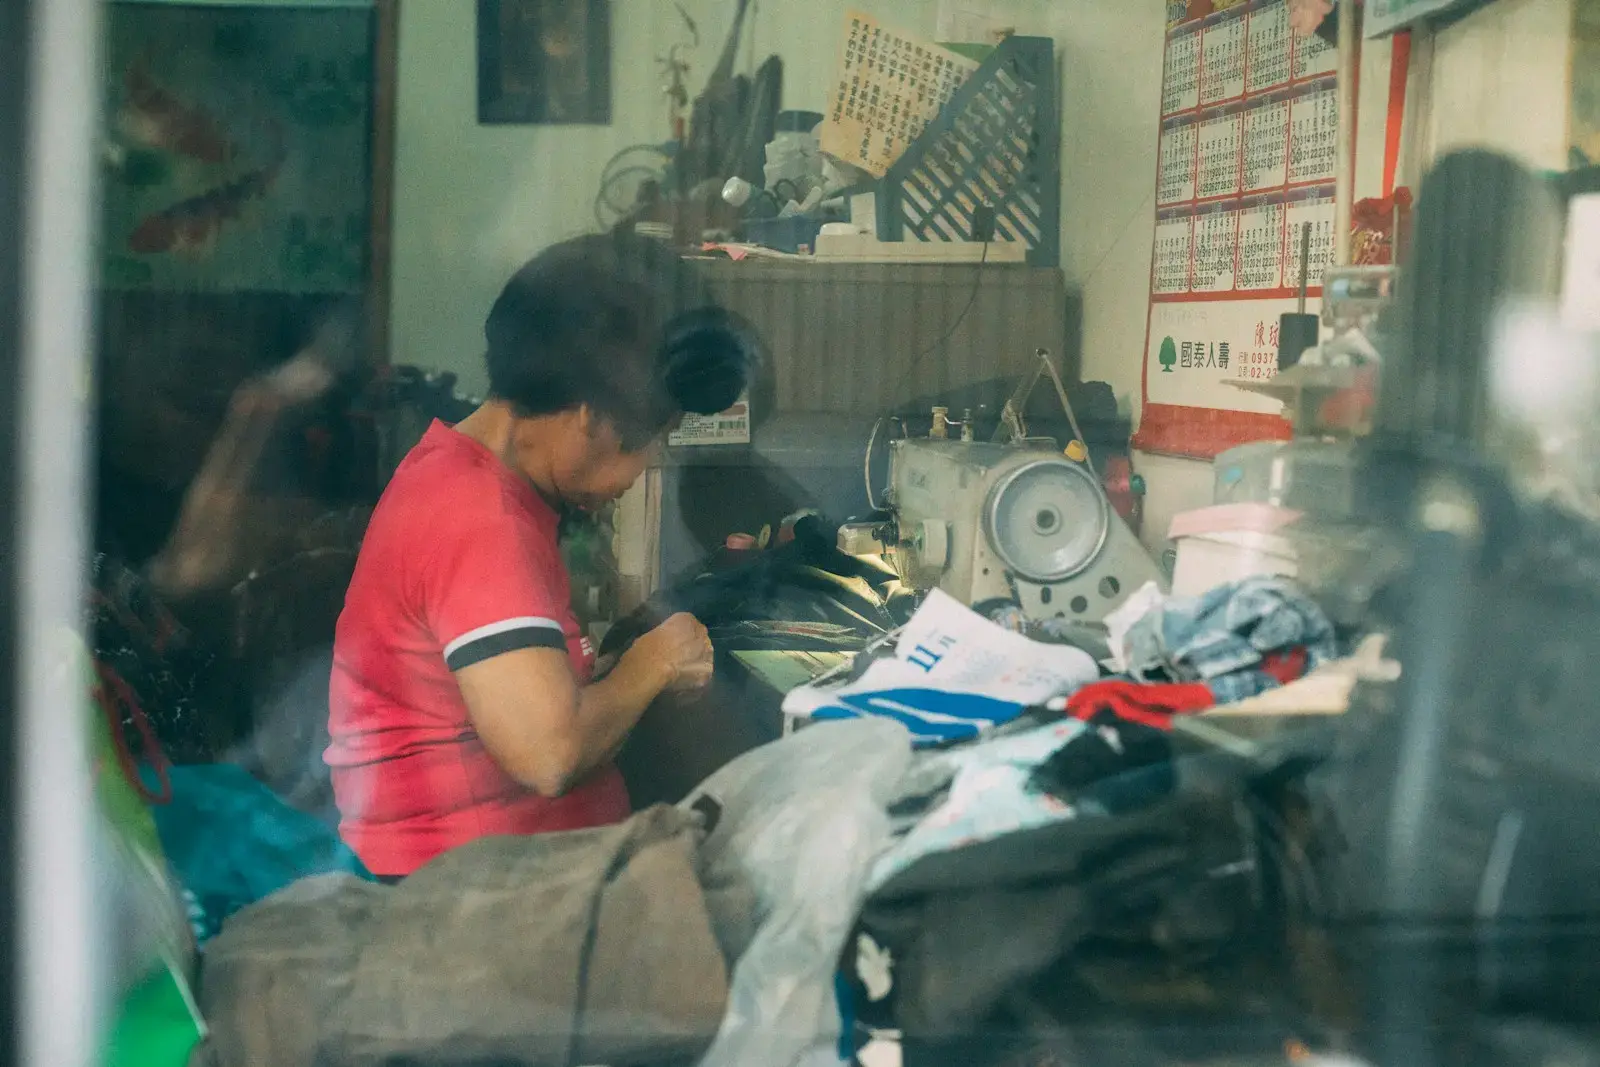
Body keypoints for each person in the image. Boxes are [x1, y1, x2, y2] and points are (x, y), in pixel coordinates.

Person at [326, 231, 754, 879]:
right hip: (475, 893)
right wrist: (655, 660)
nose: (643, 470)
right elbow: (548, 752)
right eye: (647, 444)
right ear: (590, 418)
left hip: (503, 870)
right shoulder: (477, 519)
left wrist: (612, 673)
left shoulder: (467, 480)